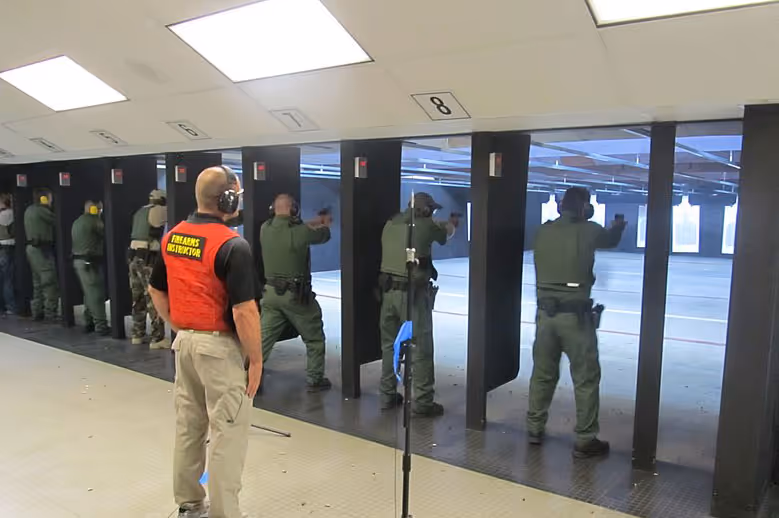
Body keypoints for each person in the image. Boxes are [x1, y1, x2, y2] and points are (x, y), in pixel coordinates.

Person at [148, 166, 262, 518]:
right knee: (228, 432)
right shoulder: (232, 245)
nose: (238, 199)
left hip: (184, 345)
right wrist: (255, 361)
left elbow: (156, 289)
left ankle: (189, 504)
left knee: (190, 426)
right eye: (236, 194)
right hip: (220, 350)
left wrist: (183, 325)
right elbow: (245, 311)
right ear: (226, 198)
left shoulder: (173, 237)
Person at [526, 187, 626, 459]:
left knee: (543, 374)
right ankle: (585, 439)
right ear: (582, 208)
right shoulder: (591, 230)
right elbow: (610, 240)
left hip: (545, 318)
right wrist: (618, 227)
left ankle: (534, 428)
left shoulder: (543, 231)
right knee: (585, 378)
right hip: (576, 320)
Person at [378, 192, 458, 417]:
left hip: (388, 294)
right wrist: (450, 223)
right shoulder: (425, 225)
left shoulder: (390, 224)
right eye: (431, 210)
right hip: (412, 296)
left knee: (389, 346)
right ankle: (422, 402)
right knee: (421, 348)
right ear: (425, 210)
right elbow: (446, 234)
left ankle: (386, 395)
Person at [260, 194, 333, 392]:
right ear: (294, 210)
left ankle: (250, 374)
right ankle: (315, 378)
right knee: (314, 338)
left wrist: (314, 222)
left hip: (271, 295)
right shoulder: (300, 232)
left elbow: (296, 231)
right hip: (295, 297)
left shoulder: (265, 228)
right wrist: (325, 223)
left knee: (263, 339)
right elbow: (322, 235)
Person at [129, 189, 168, 348]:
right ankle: (157, 338)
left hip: (133, 257)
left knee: (137, 297)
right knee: (154, 297)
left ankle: (137, 334)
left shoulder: (140, 211)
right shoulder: (159, 211)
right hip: (148, 259)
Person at [71, 200, 109, 336]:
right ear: (94, 209)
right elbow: (105, 233)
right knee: (96, 295)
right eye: (99, 209)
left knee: (89, 294)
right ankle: (101, 326)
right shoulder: (93, 221)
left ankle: (89, 321)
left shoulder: (78, 221)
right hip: (89, 262)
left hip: (80, 261)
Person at [24, 189, 59, 321]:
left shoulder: (29, 209)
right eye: (50, 198)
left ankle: (37, 311)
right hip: (42, 250)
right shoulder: (42, 210)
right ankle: (51, 313)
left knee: (37, 282)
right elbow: (57, 221)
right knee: (49, 282)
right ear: (43, 199)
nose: (51, 200)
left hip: (31, 249)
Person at [0, 193, 16, 316]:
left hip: (1, 247)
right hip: (9, 247)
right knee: (8, 279)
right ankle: (11, 306)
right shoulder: (11, 214)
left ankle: (3, 307)